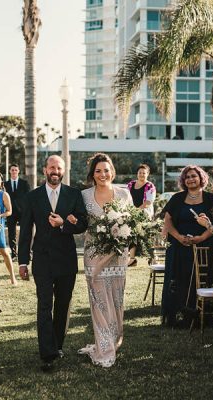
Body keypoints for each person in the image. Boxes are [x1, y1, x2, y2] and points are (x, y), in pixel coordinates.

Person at [18, 155, 87, 372]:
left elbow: (83, 223)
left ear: (63, 170)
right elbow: (26, 231)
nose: (55, 171)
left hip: (66, 259)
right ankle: (47, 353)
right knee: (45, 304)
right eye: (51, 167)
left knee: (63, 305)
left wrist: (64, 224)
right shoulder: (33, 197)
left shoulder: (74, 194)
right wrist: (22, 261)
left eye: (58, 168)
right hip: (42, 259)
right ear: (45, 170)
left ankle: (57, 345)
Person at [79, 153, 133, 367]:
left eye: (106, 170)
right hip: (93, 255)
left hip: (117, 256)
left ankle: (114, 339)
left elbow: (131, 224)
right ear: (92, 174)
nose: (103, 174)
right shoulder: (83, 196)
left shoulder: (124, 194)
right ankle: (104, 348)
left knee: (116, 301)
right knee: (99, 302)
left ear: (112, 171)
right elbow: (80, 223)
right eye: (98, 171)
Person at [161, 165, 213, 327]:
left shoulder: (211, 199)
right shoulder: (177, 198)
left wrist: (201, 238)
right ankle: (176, 316)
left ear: (201, 178)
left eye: (194, 176)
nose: (191, 179)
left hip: (202, 246)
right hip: (178, 246)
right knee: (177, 279)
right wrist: (178, 237)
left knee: (199, 280)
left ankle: (199, 317)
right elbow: (168, 220)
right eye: (187, 177)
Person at [126, 163, 156, 265]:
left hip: (144, 214)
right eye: (140, 172)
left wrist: (137, 210)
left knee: (146, 236)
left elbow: (148, 202)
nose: (142, 175)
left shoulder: (149, 186)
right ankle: (132, 259)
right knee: (131, 235)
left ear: (147, 174)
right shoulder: (130, 185)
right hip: (131, 214)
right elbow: (126, 199)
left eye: (144, 173)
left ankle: (153, 257)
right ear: (137, 173)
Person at [0, 172, 17, 284]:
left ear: (1, 182)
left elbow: (10, 211)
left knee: (4, 251)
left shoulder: (4, 195)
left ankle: (12, 277)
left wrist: (0, 215)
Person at [5, 163, 30, 259]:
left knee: (25, 232)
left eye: (16, 170)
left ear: (18, 171)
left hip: (22, 212)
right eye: (12, 170)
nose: (14, 171)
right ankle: (14, 254)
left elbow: (28, 198)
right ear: (9, 171)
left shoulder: (24, 183)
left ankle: (25, 253)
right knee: (12, 234)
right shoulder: (6, 184)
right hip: (11, 212)